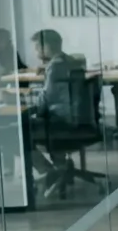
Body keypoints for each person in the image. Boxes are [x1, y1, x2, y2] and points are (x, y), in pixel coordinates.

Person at [27, 30, 92, 175]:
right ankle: (60, 165)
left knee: (21, 130)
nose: (36, 51)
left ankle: (47, 170)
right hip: (80, 119)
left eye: (37, 47)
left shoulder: (54, 66)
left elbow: (47, 97)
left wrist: (33, 108)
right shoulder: (73, 61)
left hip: (62, 121)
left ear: (46, 47)